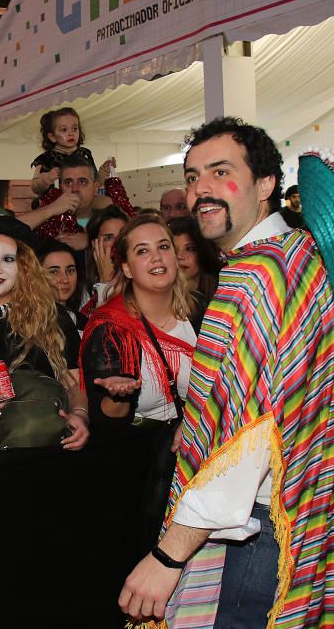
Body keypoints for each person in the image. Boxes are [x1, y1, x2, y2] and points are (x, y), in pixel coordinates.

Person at [118, 120, 334, 628]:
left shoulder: (256, 275)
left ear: (266, 184)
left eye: (220, 171)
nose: (200, 188)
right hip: (310, 508)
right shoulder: (295, 255)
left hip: (264, 525)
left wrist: (166, 558)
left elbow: (247, 437)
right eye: (192, 176)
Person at [81, 214, 196, 546]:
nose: (157, 257)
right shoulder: (111, 328)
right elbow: (108, 425)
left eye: (163, 247)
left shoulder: (201, 313)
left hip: (195, 462)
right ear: (128, 269)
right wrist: (118, 396)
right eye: (143, 251)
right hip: (136, 475)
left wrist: (194, 422)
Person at [0, 215, 90, 452]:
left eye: (8, 259)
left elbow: (74, 385)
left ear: (22, 267)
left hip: (47, 448)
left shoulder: (50, 317)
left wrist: (80, 414)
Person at [19, 154, 115, 250]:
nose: (75, 189)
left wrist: (90, 240)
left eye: (82, 182)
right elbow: (10, 228)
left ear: (95, 187)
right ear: (61, 188)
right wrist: (52, 208)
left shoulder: (110, 217)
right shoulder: (48, 223)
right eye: (68, 182)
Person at [30, 107, 113, 196]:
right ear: (52, 137)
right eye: (64, 130)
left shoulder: (85, 154)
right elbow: (35, 188)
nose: (70, 133)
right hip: (57, 207)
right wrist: (47, 178)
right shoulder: (44, 159)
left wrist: (103, 172)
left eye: (74, 128)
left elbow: (93, 185)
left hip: (84, 206)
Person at [168, 214, 223, 324]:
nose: (180, 256)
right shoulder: (164, 300)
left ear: (203, 252)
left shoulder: (223, 291)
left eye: (189, 248)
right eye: (174, 249)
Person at [36, 240, 85, 330]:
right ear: (37, 275)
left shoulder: (84, 322)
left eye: (70, 270)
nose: (65, 280)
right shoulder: (28, 322)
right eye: (54, 272)